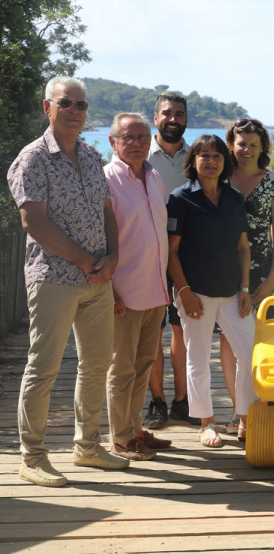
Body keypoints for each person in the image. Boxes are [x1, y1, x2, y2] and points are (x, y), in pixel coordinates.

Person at [8, 76, 128, 486]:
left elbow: (108, 213)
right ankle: (32, 455)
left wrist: (111, 257)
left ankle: (87, 447)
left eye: (81, 105)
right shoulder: (33, 158)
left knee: (97, 364)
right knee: (44, 366)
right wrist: (86, 260)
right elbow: (34, 222)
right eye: (66, 103)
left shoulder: (93, 156)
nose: (75, 111)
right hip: (54, 278)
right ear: (48, 107)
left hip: (98, 279)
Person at [166, 135, 258, 447]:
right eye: (204, 155)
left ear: (225, 161)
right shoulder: (180, 198)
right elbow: (171, 252)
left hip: (232, 291)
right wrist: (185, 292)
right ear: (192, 161)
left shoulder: (233, 197)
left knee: (250, 352)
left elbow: (243, 246)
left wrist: (245, 288)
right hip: (196, 292)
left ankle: (245, 416)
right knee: (199, 357)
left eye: (217, 155)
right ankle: (207, 422)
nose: (211, 161)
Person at [104, 112, 172, 461]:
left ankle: (135, 429)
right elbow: (99, 241)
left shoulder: (155, 176)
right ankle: (120, 438)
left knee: (144, 364)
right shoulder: (105, 180)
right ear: (112, 141)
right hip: (123, 294)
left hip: (155, 291)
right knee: (121, 368)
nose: (136, 144)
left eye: (142, 138)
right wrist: (110, 291)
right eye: (128, 137)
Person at [219, 118, 274, 434]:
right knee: (229, 341)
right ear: (231, 144)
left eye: (253, 144)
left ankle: (256, 407)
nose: (247, 150)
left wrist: (272, 278)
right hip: (223, 267)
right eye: (241, 143)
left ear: (263, 148)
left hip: (261, 270)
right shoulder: (219, 178)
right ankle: (237, 412)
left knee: (259, 342)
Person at [145, 91, 197, 429]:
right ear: (156, 118)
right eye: (167, 113)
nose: (173, 119)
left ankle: (182, 401)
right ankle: (158, 402)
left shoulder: (197, 158)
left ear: (186, 120)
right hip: (146, 256)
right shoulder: (138, 155)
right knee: (151, 332)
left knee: (183, 331)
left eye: (179, 114)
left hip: (186, 257)